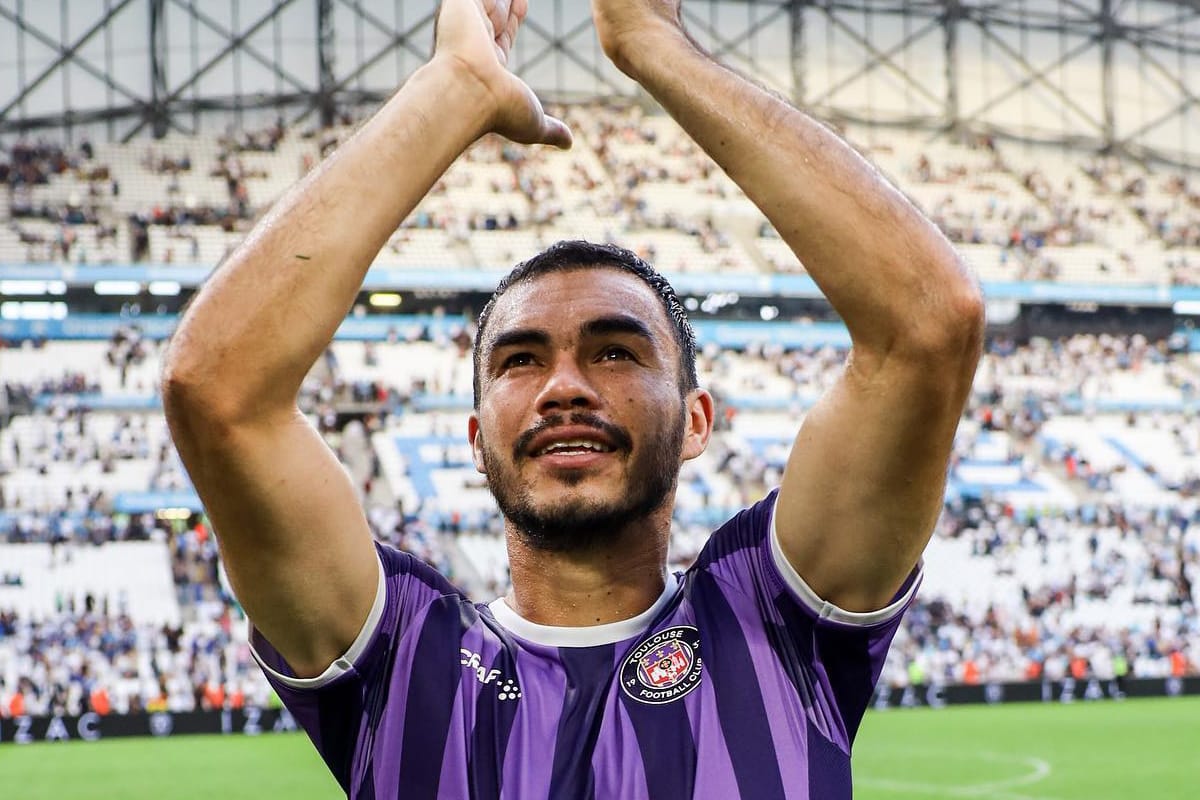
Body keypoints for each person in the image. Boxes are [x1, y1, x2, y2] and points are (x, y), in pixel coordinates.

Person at [161, 0, 983, 797]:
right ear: (478, 440)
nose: (564, 387)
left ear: (698, 420)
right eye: (521, 360)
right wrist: (452, 86)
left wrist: (653, 45)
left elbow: (928, 323)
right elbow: (216, 389)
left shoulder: (770, 615)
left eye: (615, 351)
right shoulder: (401, 656)